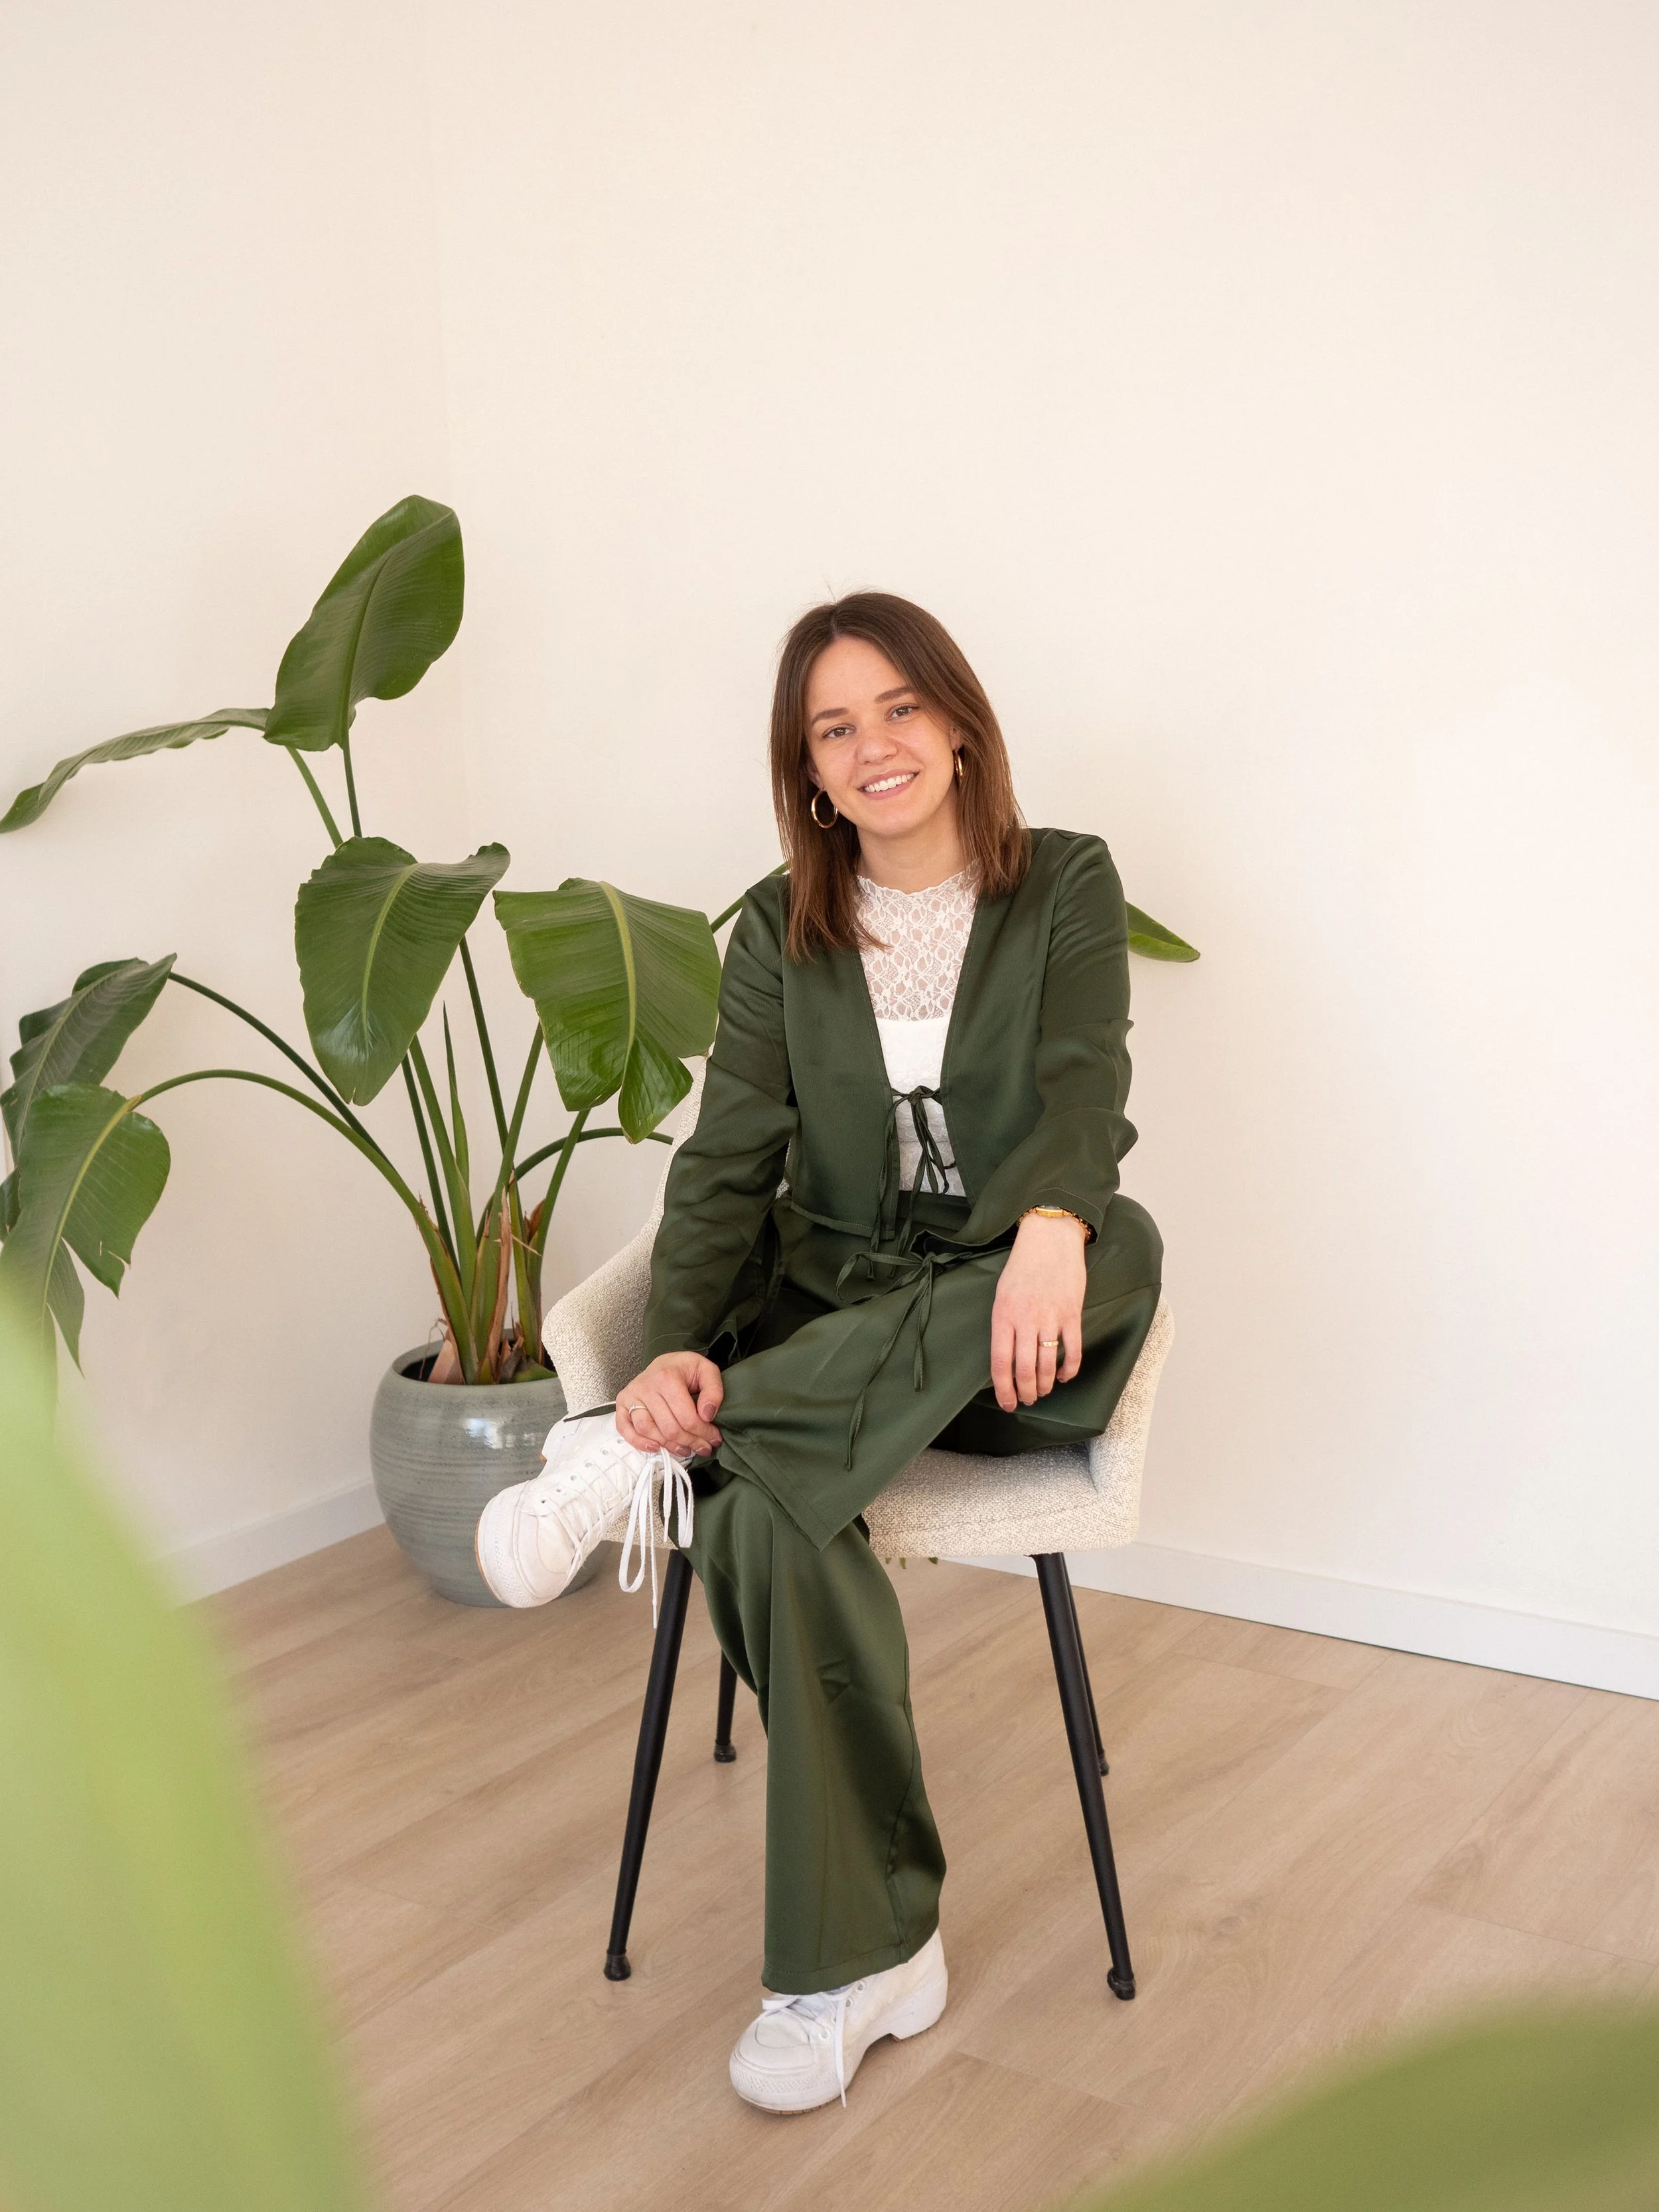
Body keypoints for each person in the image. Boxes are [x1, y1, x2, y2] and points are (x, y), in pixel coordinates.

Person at [475, 593, 1163, 2112]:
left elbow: (1080, 1076)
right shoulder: (776, 933)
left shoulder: (1063, 883)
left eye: (896, 710)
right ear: (808, 769)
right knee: (759, 1504)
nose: (871, 748)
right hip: (834, 1323)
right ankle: (859, 1961)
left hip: (1013, 1340)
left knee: (1122, 1243)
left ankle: (632, 1458)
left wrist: (1050, 1217)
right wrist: (666, 1353)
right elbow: (727, 1166)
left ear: (958, 721)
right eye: (833, 729)